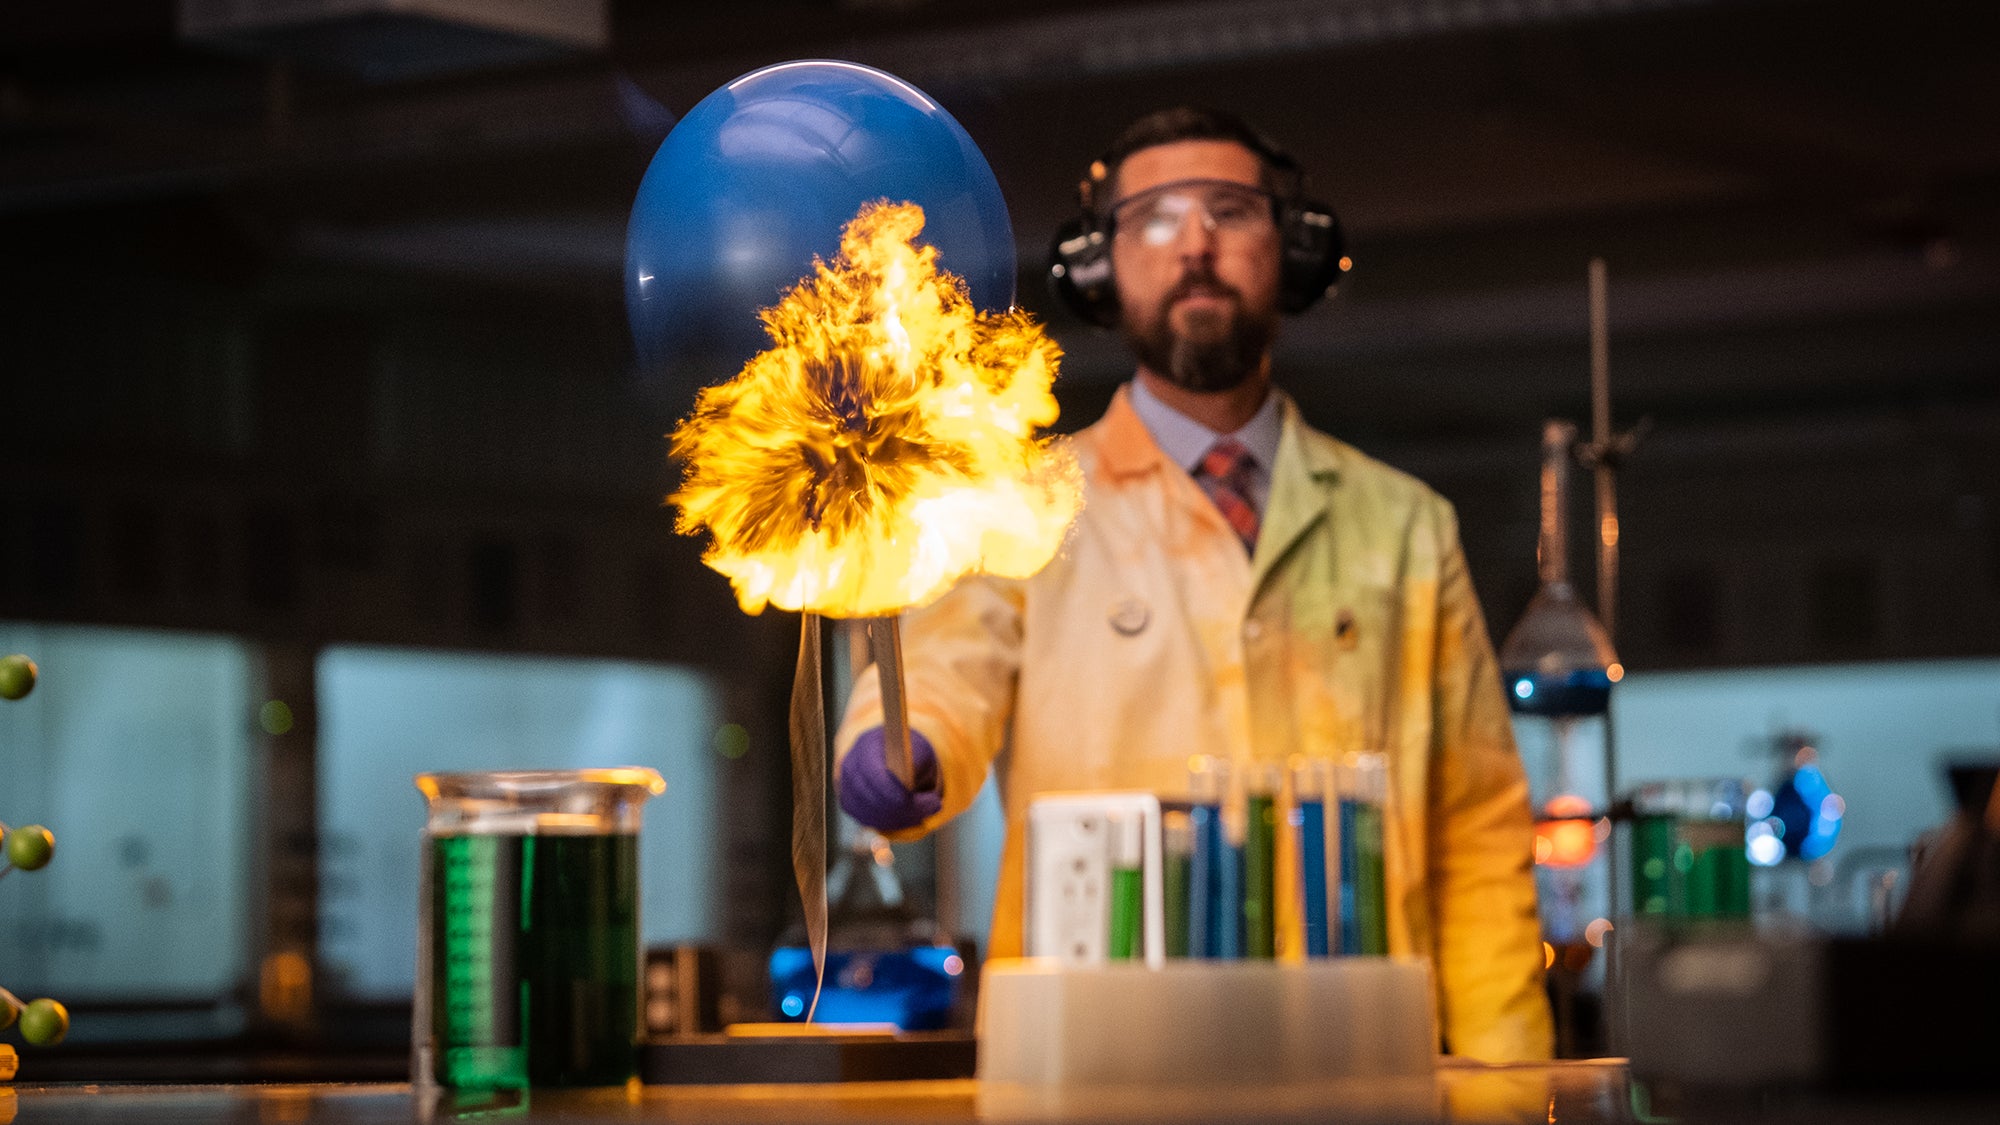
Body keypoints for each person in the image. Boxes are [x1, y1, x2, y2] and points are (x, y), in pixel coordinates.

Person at [832, 106, 1553, 1061]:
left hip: (1355, 1056)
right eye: (1157, 218)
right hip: (1098, 1061)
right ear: (1100, 263)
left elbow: (1479, 833)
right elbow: (941, 676)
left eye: (1231, 211)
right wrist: (902, 750)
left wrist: (1512, 1084)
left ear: (1292, 250)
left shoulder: (1407, 525)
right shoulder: (1022, 509)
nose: (1198, 244)